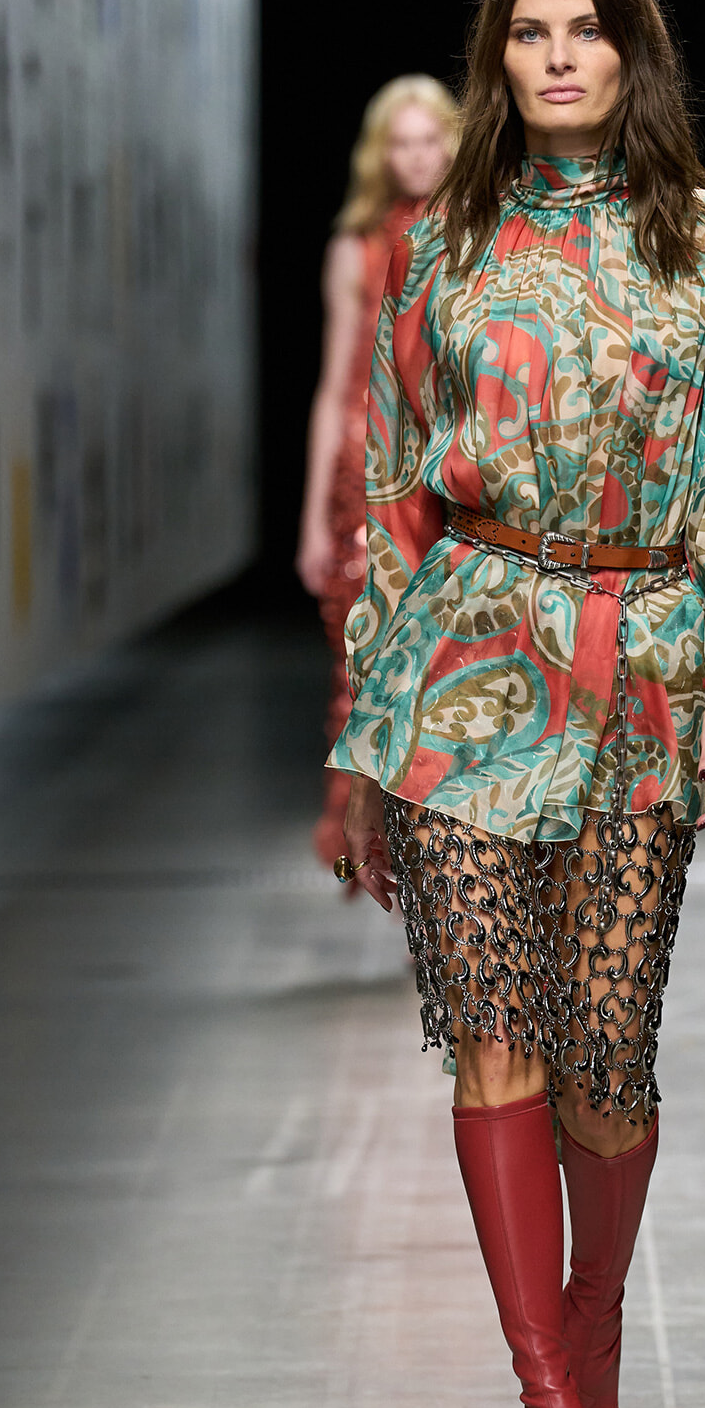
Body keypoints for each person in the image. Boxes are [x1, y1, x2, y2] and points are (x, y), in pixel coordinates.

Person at [329, 0, 705, 1408]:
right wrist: (365, 726)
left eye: (586, 28)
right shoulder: (441, 247)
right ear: (499, 57)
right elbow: (394, 488)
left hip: (647, 671)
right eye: (529, 31)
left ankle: (591, 1332)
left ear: (632, 49)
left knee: (608, 1063)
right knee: (497, 1043)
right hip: (463, 673)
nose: (560, 55)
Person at [296, 76, 459, 868]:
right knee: (367, 667)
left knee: (444, 670)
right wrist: (308, 524)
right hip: (359, 479)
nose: (418, 157)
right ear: (380, 155)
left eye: (432, 140)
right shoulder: (354, 248)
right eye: (403, 142)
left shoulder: (477, 236)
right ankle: (386, 856)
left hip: (448, 472)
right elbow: (333, 386)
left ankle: (439, 866)